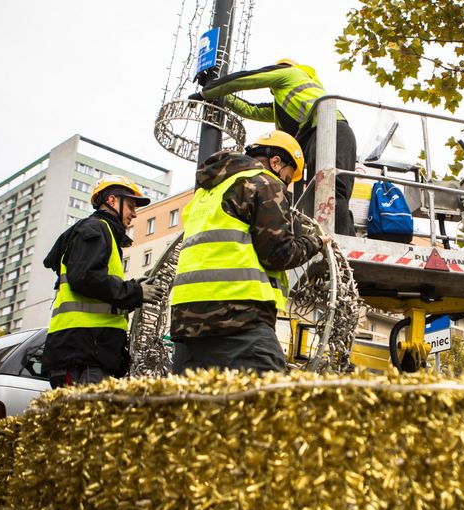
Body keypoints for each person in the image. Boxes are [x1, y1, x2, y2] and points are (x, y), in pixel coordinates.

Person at [169, 130, 327, 373]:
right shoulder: (264, 183)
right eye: (286, 176)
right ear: (275, 162)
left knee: (206, 404)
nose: (285, 184)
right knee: (267, 398)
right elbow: (278, 254)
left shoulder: (206, 193)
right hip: (238, 316)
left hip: (191, 320)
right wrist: (314, 242)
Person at [192, 59, 357, 236]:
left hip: (332, 130)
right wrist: (220, 94)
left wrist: (208, 91)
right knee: (320, 197)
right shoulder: (280, 106)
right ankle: (339, 242)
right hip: (317, 139)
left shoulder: (291, 73)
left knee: (332, 190)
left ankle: (338, 243)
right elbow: (250, 109)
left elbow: (249, 79)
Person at [43, 175, 165, 387]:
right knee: (87, 420)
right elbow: (85, 278)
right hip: (85, 353)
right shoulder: (96, 229)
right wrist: (135, 292)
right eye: (130, 206)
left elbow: (97, 291)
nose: (134, 214)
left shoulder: (101, 232)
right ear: (112, 201)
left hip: (87, 350)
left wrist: (134, 286)